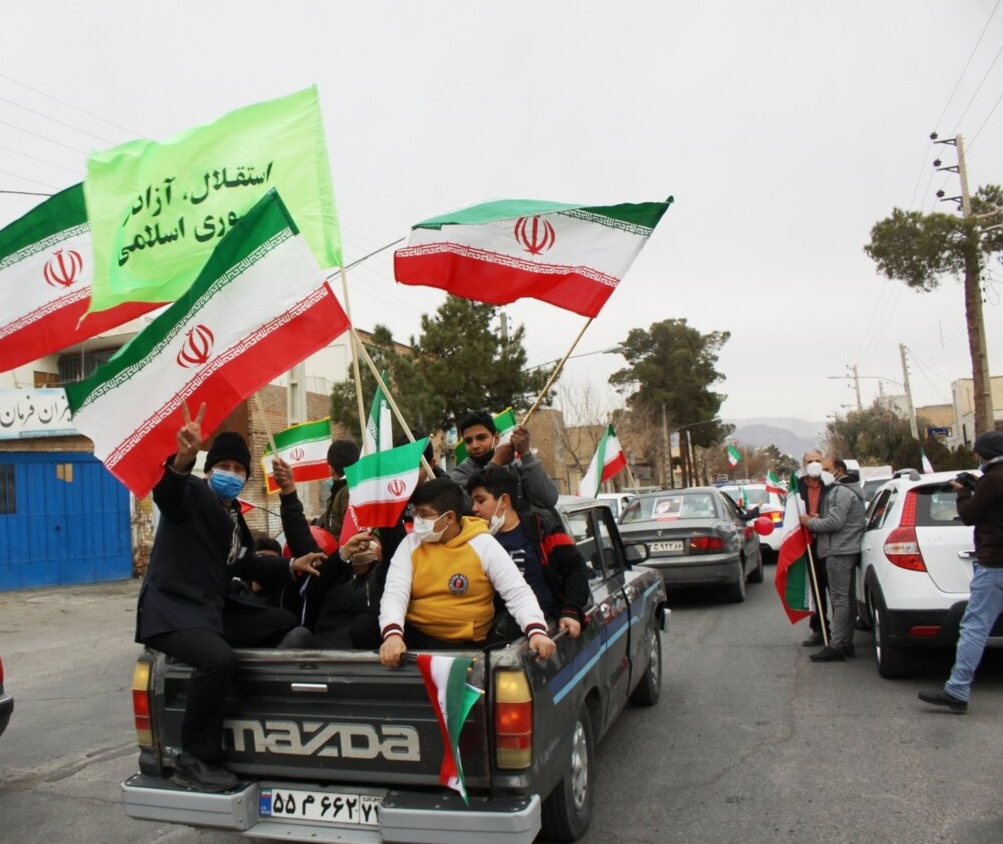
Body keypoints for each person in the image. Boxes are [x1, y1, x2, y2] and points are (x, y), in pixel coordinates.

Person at [136, 405, 324, 792]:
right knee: (216, 658)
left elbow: (249, 565)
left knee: (285, 623)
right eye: (224, 466)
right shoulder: (191, 493)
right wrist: (183, 459)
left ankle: (264, 712)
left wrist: (291, 566)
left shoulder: (235, 518)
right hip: (173, 611)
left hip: (211, 610)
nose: (232, 475)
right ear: (209, 470)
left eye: (239, 470)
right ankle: (194, 759)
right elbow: (168, 494)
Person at [377, 477, 557, 667]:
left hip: (464, 644)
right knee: (364, 628)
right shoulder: (410, 544)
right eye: (416, 513)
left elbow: (517, 592)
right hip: (417, 634)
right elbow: (395, 592)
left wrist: (536, 631)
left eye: (424, 514)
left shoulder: (484, 544)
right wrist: (393, 635)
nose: (417, 520)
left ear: (449, 518)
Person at [919, 431, 1003, 713]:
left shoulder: (992, 480)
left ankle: (957, 690)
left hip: (995, 564)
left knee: (975, 627)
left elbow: (970, 515)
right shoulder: (991, 480)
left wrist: (964, 492)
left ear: (985, 455)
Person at [273, 455, 386, 649]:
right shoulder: (332, 570)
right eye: (357, 536)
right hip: (321, 658)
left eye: (369, 536)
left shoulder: (387, 577)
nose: (362, 542)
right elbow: (301, 539)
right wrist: (288, 491)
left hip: (368, 661)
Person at [466, 465, 590, 641]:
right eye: (473, 502)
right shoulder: (475, 540)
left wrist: (570, 611)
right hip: (493, 634)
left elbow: (576, 571)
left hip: (543, 631)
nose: (474, 509)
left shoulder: (543, 531)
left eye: (480, 500)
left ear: (504, 501)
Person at [799, 458, 865, 662]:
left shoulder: (841, 491)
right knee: (847, 598)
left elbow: (835, 522)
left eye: (825, 468)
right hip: (846, 548)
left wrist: (810, 522)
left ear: (839, 471)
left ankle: (837, 645)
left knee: (840, 600)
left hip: (838, 550)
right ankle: (845, 642)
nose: (820, 471)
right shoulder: (847, 490)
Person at [450, 411, 560, 521]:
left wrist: (526, 455)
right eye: (468, 441)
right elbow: (466, 508)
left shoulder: (516, 466)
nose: (475, 445)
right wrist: (495, 464)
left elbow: (548, 499)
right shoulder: (461, 474)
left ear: (496, 438)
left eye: (481, 438)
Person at [798, 450, 832, 647]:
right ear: (804, 464)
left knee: (835, 589)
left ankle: (842, 633)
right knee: (816, 589)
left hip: (829, 542)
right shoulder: (798, 487)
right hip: (809, 543)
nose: (814, 464)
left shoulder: (831, 485)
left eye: (818, 461)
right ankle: (820, 629)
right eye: (810, 461)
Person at [314, 439, 361, 538]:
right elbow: (332, 521)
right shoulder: (340, 490)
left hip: (344, 551)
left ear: (331, 469)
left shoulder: (348, 492)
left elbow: (351, 533)